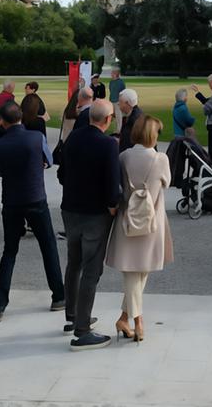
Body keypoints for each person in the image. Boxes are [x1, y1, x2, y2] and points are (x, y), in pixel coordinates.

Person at [0, 101, 65, 321]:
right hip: (35, 198)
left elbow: (2, 170)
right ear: (21, 117)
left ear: (2, 121)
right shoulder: (36, 138)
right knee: (48, 246)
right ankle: (58, 295)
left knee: (9, 251)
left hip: (11, 201)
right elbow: (48, 161)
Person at [105, 115, 173, 343]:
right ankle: (138, 320)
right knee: (139, 272)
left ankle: (125, 317)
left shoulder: (124, 156)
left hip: (127, 218)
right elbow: (167, 182)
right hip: (151, 220)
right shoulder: (161, 159)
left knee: (135, 272)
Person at [59, 99, 120, 351]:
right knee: (91, 269)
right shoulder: (107, 144)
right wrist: (112, 206)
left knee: (74, 262)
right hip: (94, 213)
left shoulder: (73, 137)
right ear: (107, 119)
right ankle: (82, 330)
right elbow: (111, 181)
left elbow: (62, 173)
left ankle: (73, 315)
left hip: (70, 208)